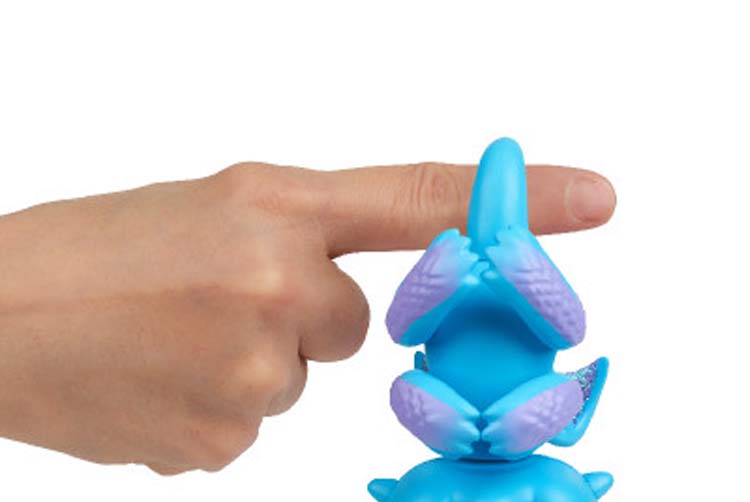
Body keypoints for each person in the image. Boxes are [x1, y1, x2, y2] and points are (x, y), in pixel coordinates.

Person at [0, 160, 615, 474]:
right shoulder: (458, 273)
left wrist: (529, 276)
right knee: (407, 386)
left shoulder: (528, 279)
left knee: (546, 397)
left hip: (526, 410)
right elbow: (404, 330)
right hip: (447, 409)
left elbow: (567, 329)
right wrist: (438, 276)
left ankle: (517, 426)